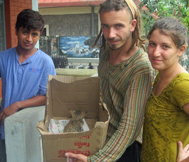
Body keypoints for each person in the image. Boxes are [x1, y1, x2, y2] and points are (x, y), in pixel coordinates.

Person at [65, 0, 154, 161]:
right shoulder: (106, 50)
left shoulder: (140, 67)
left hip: (125, 148)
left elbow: (129, 128)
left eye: (118, 26)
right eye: (105, 26)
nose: (111, 34)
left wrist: (96, 160)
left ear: (132, 25)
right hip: (101, 136)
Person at [0, 9, 56, 162]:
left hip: (33, 129)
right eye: (25, 32)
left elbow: (47, 97)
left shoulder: (45, 62)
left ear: (40, 34)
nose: (29, 38)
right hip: (3, 128)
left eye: (34, 34)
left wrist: (17, 105)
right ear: (16, 30)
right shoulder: (2, 58)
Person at [141, 17, 189, 162]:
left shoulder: (182, 85)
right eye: (152, 44)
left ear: (180, 50)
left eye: (165, 47)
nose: (155, 53)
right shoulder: (160, 76)